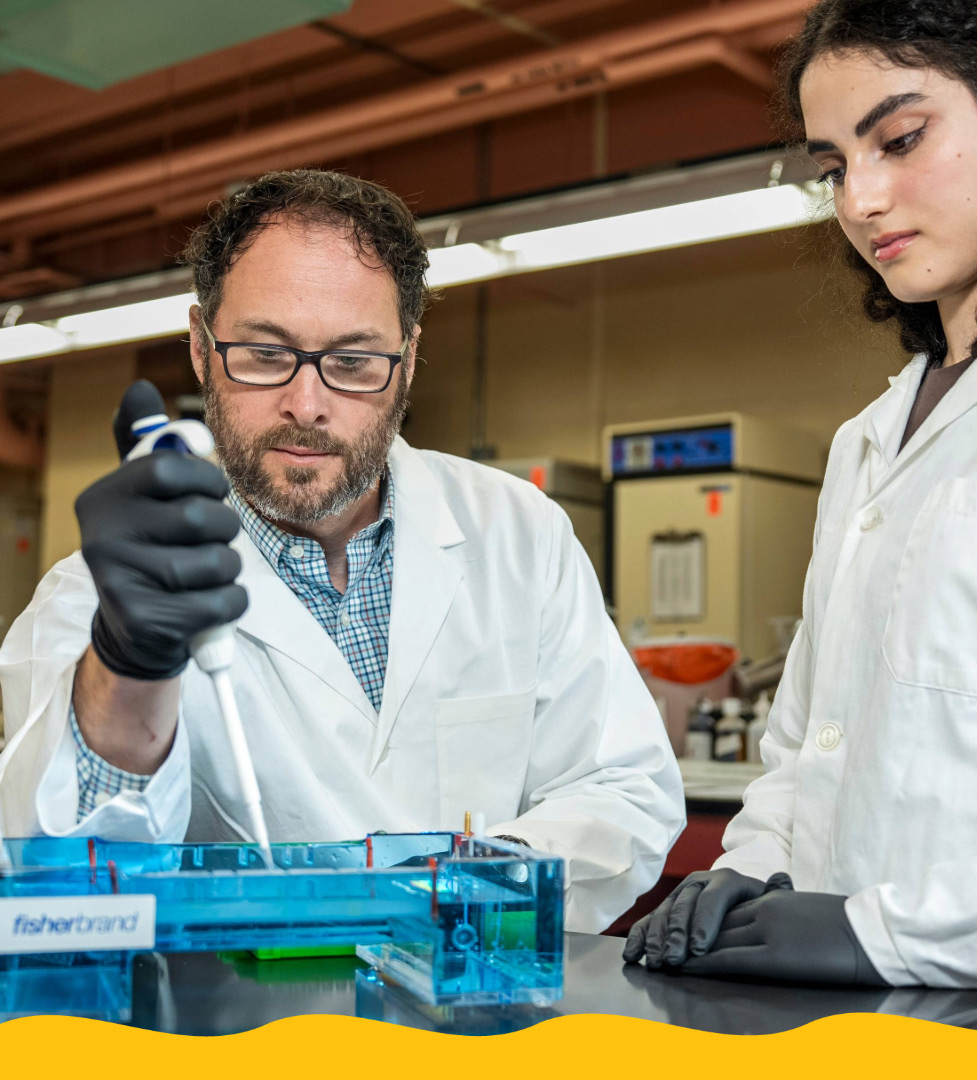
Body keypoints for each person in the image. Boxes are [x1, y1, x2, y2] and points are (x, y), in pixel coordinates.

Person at [0, 169, 684, 934]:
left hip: (473, 1015)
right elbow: (60, 880)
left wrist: (457, 894)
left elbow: (622, 787)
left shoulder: (518, 533)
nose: (306, 403)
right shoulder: (100, 595)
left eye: (354, 362)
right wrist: (128, 667)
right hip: (245, 1034)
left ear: (410, 360)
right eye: (264, 354)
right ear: (200, 347)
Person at [625, 0, 977, 1004]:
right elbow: (804, 747)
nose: (862, 198)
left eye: (902, 139)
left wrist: (880, 934)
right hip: (854, 1027)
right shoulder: (864, 445)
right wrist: (749, 868)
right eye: (834, 166)